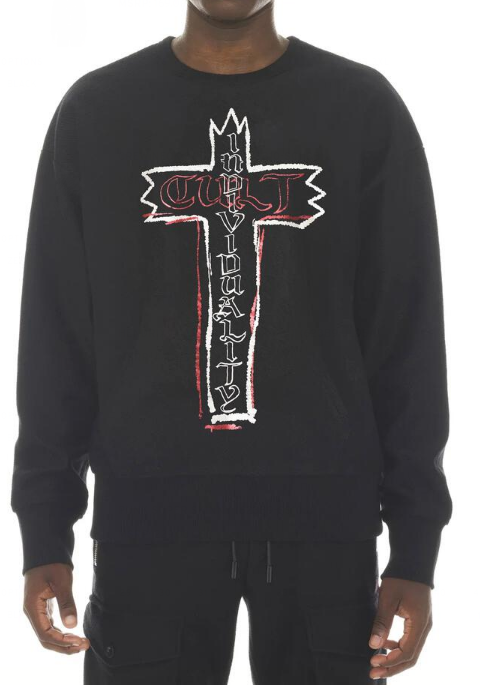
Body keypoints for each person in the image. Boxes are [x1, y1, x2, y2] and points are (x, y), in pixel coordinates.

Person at [12, 1, 453, 683]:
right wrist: (44, 529)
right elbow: (57, 336)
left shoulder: (363, 111)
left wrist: (416, 547)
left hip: (326, 535)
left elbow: (406, 336)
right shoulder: (97, 115)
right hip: (147, 531)